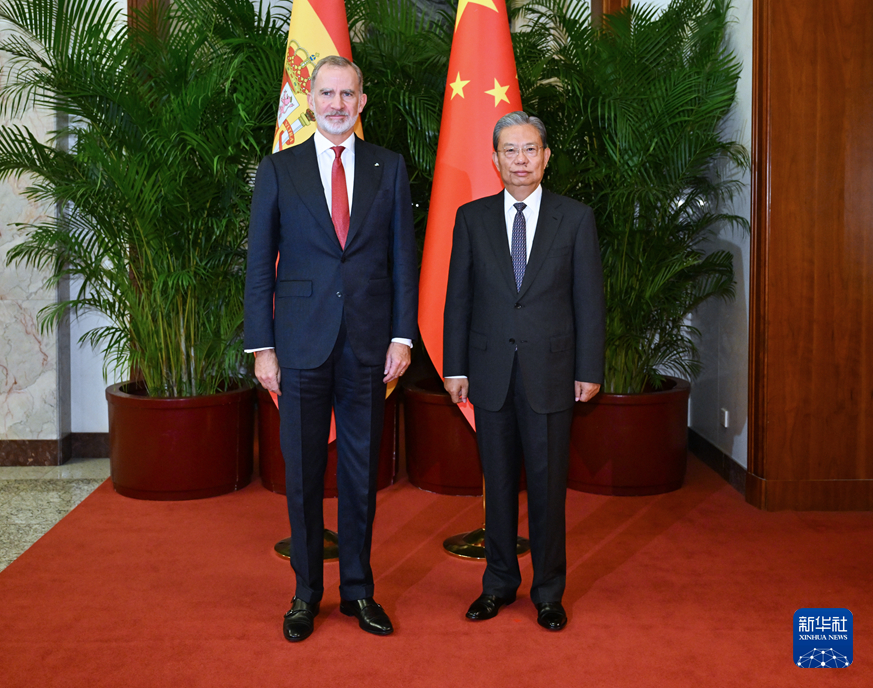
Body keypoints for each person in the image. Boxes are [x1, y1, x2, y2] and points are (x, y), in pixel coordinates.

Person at [244, 55, 418, 642]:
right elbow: (259, 266)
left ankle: (359, 591)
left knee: (362, 473)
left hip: (369, 343)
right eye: (327, 93)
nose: (337, 104)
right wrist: (262, 347)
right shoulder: (279, 168)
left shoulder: (389, 167)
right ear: (310, 99)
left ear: (362, 102)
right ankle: (305, 594)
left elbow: (403, 259)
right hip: (298, 342)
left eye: (347, 94)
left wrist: (402, 336)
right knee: (302, 472)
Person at [443, 110, 605, 631]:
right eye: (510, 150)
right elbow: (458, 299)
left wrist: (589, 368)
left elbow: (589, 301)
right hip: (489, 373)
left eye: (530, 149)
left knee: (548, 488)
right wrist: (454, 366)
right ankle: (497, 584)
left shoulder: (574, 218)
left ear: (546, 157)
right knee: (497, 486)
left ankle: (549, 592)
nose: (520, 160)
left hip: (552, 373)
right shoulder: (471, 218)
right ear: (495, 160)